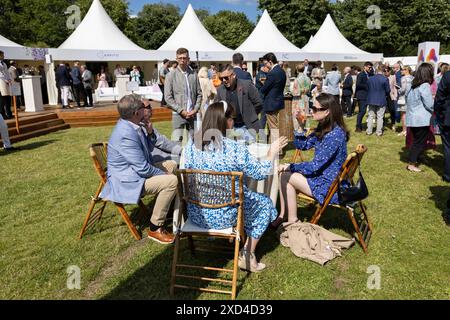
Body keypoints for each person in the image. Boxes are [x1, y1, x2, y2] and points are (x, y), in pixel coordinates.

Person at [183, 101, 288, 271]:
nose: (234, 122)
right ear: (225, 120)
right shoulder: (234, 148)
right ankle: (247, 255)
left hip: (197, 213)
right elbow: (260, 173)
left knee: (244, 195)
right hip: (225, 215)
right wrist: (271, 152)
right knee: (265, 204)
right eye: (232, 118)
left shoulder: (190, 145)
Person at [99, 94, 180, 244]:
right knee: (171, 181)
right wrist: (163, 174)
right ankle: (155, 227)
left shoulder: (133, 124)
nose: (146, 109)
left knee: (172, 165)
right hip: (128, 181)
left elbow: (148, 149)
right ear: (137, 113)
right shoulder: (126, 134)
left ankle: (166, 206)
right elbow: (143, 169)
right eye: (143, 107)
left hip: (135, 172)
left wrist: (150, 133)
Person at [276, 93, 349, 227]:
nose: (311, 111)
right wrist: (299, 126)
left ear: (326, 112)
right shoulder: (325, 128)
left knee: (285, 175)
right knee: (284, 175)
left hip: (330, 186)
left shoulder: (334, 135)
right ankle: (284, 215)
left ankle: (290, 219)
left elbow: (315, 166)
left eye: (315, 109)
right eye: (311, 107)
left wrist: (289, 166)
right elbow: (303, 145)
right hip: (324, 178)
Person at [216, 64, 263, 142]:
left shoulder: (247, 85)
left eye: (226, 78)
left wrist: (251, 115)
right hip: (230, 128)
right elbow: (218, 109)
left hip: (247, 126)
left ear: (233, 75)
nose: (224, 80)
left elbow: (258, 103)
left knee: (249, 151)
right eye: (221, 78)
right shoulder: (220, 90)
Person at [164, 47, 202, 142]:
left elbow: (199, 94)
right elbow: (168, 98)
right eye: (180, 58)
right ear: (176, 59)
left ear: (188, 59)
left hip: (193, 115)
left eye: (184, 58)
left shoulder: (194, 74)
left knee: (195, 143)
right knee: (177, 144)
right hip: (178, 115)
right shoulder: (170, 76)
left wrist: (195, 109)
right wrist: (181, 111)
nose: (182, 60)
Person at [405, 63, 434, 172]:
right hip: (421, 119)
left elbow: (408, 98)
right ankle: (411, 164)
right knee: (419, 142)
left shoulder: (412, 85)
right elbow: (429, 104)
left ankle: (418, 157)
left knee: (418, 140)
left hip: (412, 117)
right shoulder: (425, 85)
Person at [434, 63, 450, 225]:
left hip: (448, 120)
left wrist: (440, 115)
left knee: (448, 148)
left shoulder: (447, 77)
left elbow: (439, 98)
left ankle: (448, 173)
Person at [260, 52, 286, 142]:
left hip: (271, 103)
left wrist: (262, 86)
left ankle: (277, 151)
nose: (266, 66)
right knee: (273, 126)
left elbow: (264, 88)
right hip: (278, 101)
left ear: (270, 61)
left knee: (273, 128)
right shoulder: (282, 71)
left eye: (266, 63)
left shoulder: (272, 73)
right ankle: (273, 147)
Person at [366, 64, 390, 136]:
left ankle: (369, 131)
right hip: (381, 99)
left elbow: (367, 88)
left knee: (370, 116)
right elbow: (388, 90)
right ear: (383, 70)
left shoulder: (370, 78)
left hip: (371, 99)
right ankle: (378, 132)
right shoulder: (385, 79)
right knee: (380, 117)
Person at [292, 63, 311, 130]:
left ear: (297, 70)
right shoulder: (308, 79)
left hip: (298, 100)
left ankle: (298, 133)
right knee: (304, 116)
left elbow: (295, 92)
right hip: (305, 99)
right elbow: (309, 89)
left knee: (297, 117)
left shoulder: (297, 79)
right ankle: (303, 132)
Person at [355, 62, 373, 132]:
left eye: (371, 67)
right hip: (362, 96)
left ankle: (368, 126)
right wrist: (367, 86)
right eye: (369, 67)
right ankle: (358, 126)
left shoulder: (371, 74)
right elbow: (358, 84)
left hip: (369, 95)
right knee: (362, 111)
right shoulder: (361, 74)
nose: (370, 68)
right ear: (364, 67)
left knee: (370, 112)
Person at [397, 66, 414, 136]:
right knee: (410, 114)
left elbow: (404, 89)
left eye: (402, 70)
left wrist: (398, 89)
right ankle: (409, 130)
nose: (401, 71)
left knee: (403, 114)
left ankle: (404, 130)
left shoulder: (403, 78)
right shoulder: (413, 78)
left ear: (406, 70)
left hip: (404, 98)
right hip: (412, 98)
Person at [0, 51, 13, 119]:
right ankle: (2, 114)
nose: (3, 56)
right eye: (2, 55)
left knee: (8, 98)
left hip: (6, 82)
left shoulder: (4, 63)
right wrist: (6, 80)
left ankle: (9, 113)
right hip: (1, 82)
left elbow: (7, 72)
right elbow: (0, 74)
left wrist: (9, 79)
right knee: (3, 98)